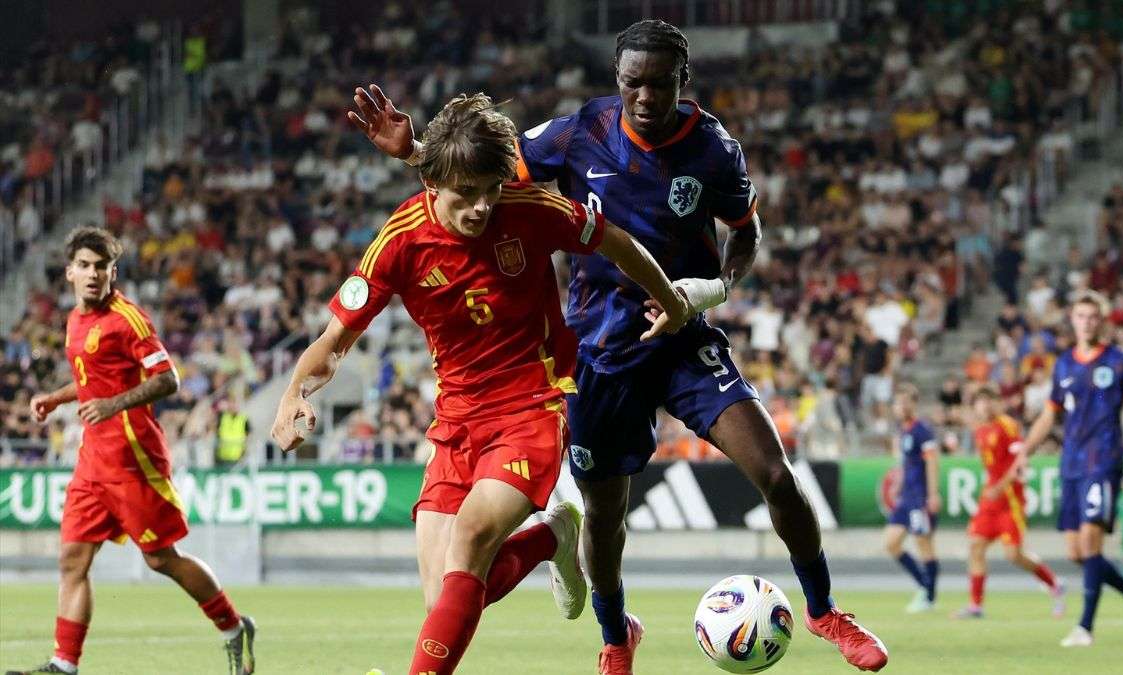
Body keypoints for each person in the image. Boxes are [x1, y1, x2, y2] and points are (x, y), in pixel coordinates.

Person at [348, 19, 889, 674]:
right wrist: (416, 153)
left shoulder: (714, 148)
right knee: (605, 514)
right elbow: (481, 178)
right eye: (633, 83)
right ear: (618, 78)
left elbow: (746, 232)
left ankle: (825, 610)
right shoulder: (581, 132)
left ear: (682, 81)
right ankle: (615, 636)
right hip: (600, 353)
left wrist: (713, 288)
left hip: (683, 340)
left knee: (775, 472)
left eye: (659, 84)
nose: (645, 96)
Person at [272, 93, 693, 675]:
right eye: (466, 194)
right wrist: (294, 391)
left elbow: (616, 241)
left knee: (469, 543)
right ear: (431, 183)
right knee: (444, 600)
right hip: (456, 420)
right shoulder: (400, 241)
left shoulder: (529, 206)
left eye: (491, 191)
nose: (481, 207)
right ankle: (553, 537)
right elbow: (334, 340)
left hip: (533, 404)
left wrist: (671, 299)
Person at [6, 227, 255, 675]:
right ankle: (64, 664)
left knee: (161, 559)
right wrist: (56, 398)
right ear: (69, 272)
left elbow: (168, 379)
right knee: (72, 560)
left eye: (101, 266)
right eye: (84, 266)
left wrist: (113, 404)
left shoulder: (128, 320)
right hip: (92, 459)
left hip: (133, 456)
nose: (93, 274)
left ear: (113, 272)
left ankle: (234, 627)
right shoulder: (75, 320)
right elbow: (93, 379)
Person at [1018, 291, 1123, 647]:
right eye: (1081, 316)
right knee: (1076, 553)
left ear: (1103, 321)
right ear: (1072, 320)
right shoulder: (1064, 364)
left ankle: (1085, 628)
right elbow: (1049, 414)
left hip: (1104, 461)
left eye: (1093, 316)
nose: (1087, 322)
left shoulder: (1118, 362)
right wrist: (1024, 452)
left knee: (1090, 541)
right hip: (1071, 462)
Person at [953, 386, 1064, 619]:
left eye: (989, 400)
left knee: (1013, 555)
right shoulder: (980, 430)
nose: (985, 406)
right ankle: (976, 605)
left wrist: (1000, 487)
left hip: (1010, 499)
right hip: (990, 499)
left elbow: (1020, 463)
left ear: (997, 403)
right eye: (980, 402)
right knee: (975, 546)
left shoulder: (1008, 425)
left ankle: (1053, 583)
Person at [882, 383, 941, 614]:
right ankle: (924, 586)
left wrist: (933, 494)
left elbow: (932, 462)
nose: (901, 406)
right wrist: (899, 483)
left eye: (906, 402)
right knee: (891, 543)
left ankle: (929, 597)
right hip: (906, 496)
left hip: (919, 496)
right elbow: (907, 462)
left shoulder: (922, 430)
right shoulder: (903, 430)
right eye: (898, 402)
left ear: (914, 404)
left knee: (923, 543)